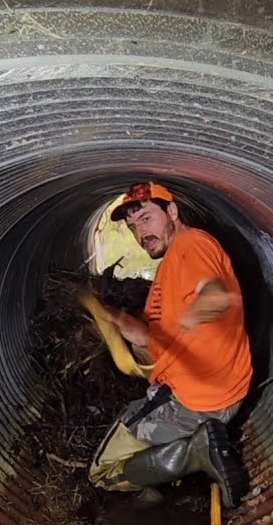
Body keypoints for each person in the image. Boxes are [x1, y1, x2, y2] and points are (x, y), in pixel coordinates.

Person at [88, 181, 253, 507]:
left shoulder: (190, 246)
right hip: (224, 389)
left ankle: (196, 453)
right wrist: (113, 316)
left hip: (191, 400)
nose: (141, 232)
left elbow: (217, 295)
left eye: (147, 218)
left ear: (173, 211)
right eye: (134, 227)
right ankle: (160, 474)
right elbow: (151, 338)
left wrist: (188, 323)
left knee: (101, 471)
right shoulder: (172, 263)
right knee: (136, 413)